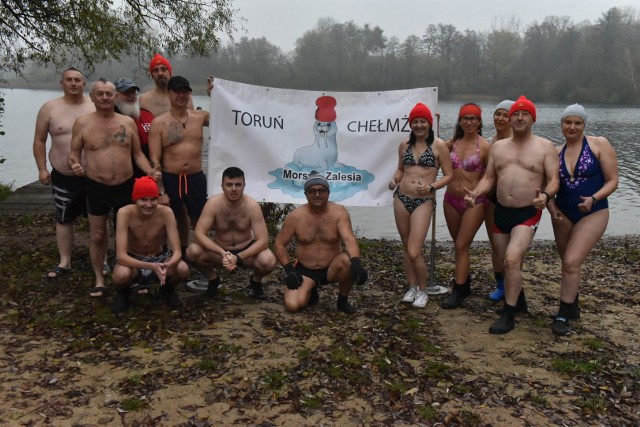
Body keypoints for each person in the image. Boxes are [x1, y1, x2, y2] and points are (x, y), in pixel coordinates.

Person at [464, 95, 559, 334]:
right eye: (515, 113)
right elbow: (488, 178)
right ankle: (519, 300)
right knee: (506, 262)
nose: (519, 117)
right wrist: (475, 194)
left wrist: (545, 197)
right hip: (501, 211)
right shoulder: (498, 147)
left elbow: (554, 181)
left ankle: (508, 315)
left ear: (532, 119)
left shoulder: (544, 147)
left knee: (512, 259)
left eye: (524, 114)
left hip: (528, 212)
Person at [68, 78, 156, 297]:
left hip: (125, 185)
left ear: (115, 96)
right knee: (97, 235)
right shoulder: (82, 123)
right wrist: (75, 164)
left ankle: (134, 274)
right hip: (97, 186)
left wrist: (151, 172)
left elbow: (137, 154)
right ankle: (99, 279)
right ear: (92, 96)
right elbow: (73, 154)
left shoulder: (127, 122)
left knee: (130, 232)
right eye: (101, 94)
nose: (105, 98)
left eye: (109, 94)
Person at [547, 104, 618, 336]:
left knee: (571, 261)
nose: (572, 127)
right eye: (568, 122)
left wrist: (594, 198)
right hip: (563, 213)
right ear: (562, 125)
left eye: (577, 123)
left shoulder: (599, 144)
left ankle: (563, 313)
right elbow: (546, 186)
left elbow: (613, 181)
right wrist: (551, 207)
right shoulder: (555, 152)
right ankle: (573, 305)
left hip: (594, 211)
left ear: (584, 124)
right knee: (567, 262)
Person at [32, 67, 95, 280]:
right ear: (62, 83)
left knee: (99, 218)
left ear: (84, 83)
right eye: (69, 80)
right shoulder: (49, 108)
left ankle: (102, 260)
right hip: (62, 173)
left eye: (78, 80)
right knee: (63, 218)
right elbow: (39, 140)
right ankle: (65, 261)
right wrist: (42, 168)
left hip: (94, 173)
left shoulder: (95, 105)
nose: (74, 83)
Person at [274, 172, 368, 314]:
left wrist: (356, 262)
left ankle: (342, 301)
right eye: (312, 191)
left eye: (321, 190)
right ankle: (311, 290)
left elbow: (349, 239)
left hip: (331, 267)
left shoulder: (339, 213)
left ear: (328, 193)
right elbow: (279, 244)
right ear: (306, 194)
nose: (317, 194)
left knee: (348, 261)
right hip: (305, 270)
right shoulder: (295, 216)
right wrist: (289, 269)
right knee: (292, 306)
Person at [388, 103, 453, 308]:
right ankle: (412, 287)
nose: (418, 125)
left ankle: (424, 290)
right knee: (406, 246)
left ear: (429, 123)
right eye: (415, 121)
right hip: (401, 198)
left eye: (422, 121)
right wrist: (395, 179)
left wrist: (432, 186)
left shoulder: (439, 146)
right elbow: (401, 169)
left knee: (415, 250)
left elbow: (449, 175)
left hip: (424, 201)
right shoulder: (404, 144)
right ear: (411, 124)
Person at [186, 167, 276, 300]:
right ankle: (213, 279)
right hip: (220, 250)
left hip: (246, 252)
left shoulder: (252, 206)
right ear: (222, 186)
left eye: (238, 185)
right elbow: (199, 234)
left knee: (268, 260)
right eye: (229, 185)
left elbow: (263, 240)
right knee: (192, 251)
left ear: (244, 186)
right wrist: (222, 253)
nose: (233, 189)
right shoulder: (213, 204)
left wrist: (238, 257)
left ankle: (255, 281)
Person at [148, 76, 210, 249]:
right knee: (169, 216)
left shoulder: (200, 117)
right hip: (171, 177)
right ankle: (167, 252)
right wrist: (160, 190)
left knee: (200, 217)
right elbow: (154, 159)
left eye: (185, 92)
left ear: (190, 94)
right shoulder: (159, 123)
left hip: (195, 176)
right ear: (169, 93)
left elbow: (227, 118)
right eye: (177, 92)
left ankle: (199, 253)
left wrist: (214, 94)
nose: (181, 95)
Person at [111, 176, 189, 312]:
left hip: (158, 257)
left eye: (153, 199)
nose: (149, 204)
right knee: (121, 275)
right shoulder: (124, 213)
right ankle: (123, 292)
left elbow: (177, 251)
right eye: (143, 200)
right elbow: (121, 256)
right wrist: (150, 266)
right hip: (133, 259)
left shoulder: (166, 212)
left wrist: (167, 264)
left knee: (183, 269)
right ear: (135, 199)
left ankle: (168, 289)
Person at [441, 103, 491, 309]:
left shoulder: (486, 146)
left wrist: (478, 192)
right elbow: (427, 153)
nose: (469, 122)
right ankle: (466, 283)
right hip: (450, 200)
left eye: (473, 118)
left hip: (475, 203)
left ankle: (459, 290)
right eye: (465, 118)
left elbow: (491, 176)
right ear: (459, 121)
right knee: (459, 245)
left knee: (462, 244)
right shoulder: (451, 144)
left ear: (479, 122)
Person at [486, 100, 515, 301]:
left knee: (514, 248)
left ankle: (514, 285)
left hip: (517, 202)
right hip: (491, 199)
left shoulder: (522, 141)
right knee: (496, 245)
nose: (501, 118)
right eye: (498, 114)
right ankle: (500, 284)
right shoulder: (488, 143)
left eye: (506, 115)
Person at [114, 77, 155, 177]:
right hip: (121, 175)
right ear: (115, 96)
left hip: (146, 173)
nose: (131, 96)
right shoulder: (108, 119)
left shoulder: (147, 115)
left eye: (134, 93)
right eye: (126, 93)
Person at [139, 53, 194, 117]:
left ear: (170, 73)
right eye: (156, 70)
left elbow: (191, 122)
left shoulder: (183, 97)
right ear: (152, 76)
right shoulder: (143, 99)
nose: (160, 73)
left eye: (163, 69)